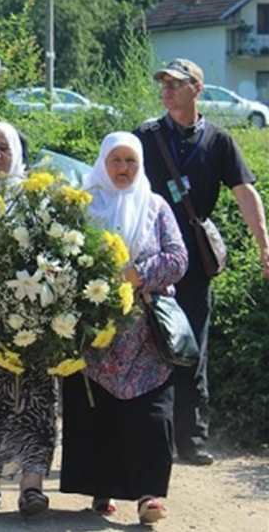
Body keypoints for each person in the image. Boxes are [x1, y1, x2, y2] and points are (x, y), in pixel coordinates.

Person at [134, 59, 269, 466]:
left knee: (192, 347)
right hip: (148, 261)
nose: (167, 90)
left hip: (193, 264)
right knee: (145, 347)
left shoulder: (219, 141)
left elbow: (245, 193)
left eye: (176, 84)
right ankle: (149, 434)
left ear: (197, 88)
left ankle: (191, 440)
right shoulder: (145, 135)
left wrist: (265, 245)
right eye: (164, 84)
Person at [60, 132, 187, 525]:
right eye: (116, 160)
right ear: (102, 162)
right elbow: (63, 252)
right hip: (96, 332)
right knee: (102, 411)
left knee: (150, 413)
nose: (123, 168)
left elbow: (178, 258)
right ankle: (103, 487)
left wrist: (139, 274)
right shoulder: (85, 205)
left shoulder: (156, 205)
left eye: (131, 161)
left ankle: (150, 494)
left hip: (145, 332)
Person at [0, 120, 55, 517]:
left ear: (16, 153)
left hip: (35, 318)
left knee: (37, 399)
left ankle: (32, 484)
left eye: (3, 148)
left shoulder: (36, 198)